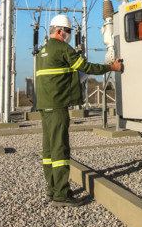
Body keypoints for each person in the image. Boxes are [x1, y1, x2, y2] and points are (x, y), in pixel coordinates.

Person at [36, 14, 123, 207]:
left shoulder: (43, 51)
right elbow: (86, 67)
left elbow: (61, 74)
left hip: (44, 105)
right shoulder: (62, 49)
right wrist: (111, 67)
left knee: (49, 150)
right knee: (60, 149)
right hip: (57, 106)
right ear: (60, 31)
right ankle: (62, 195)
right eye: (68, 31)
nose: (68, 35)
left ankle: (52, 189)